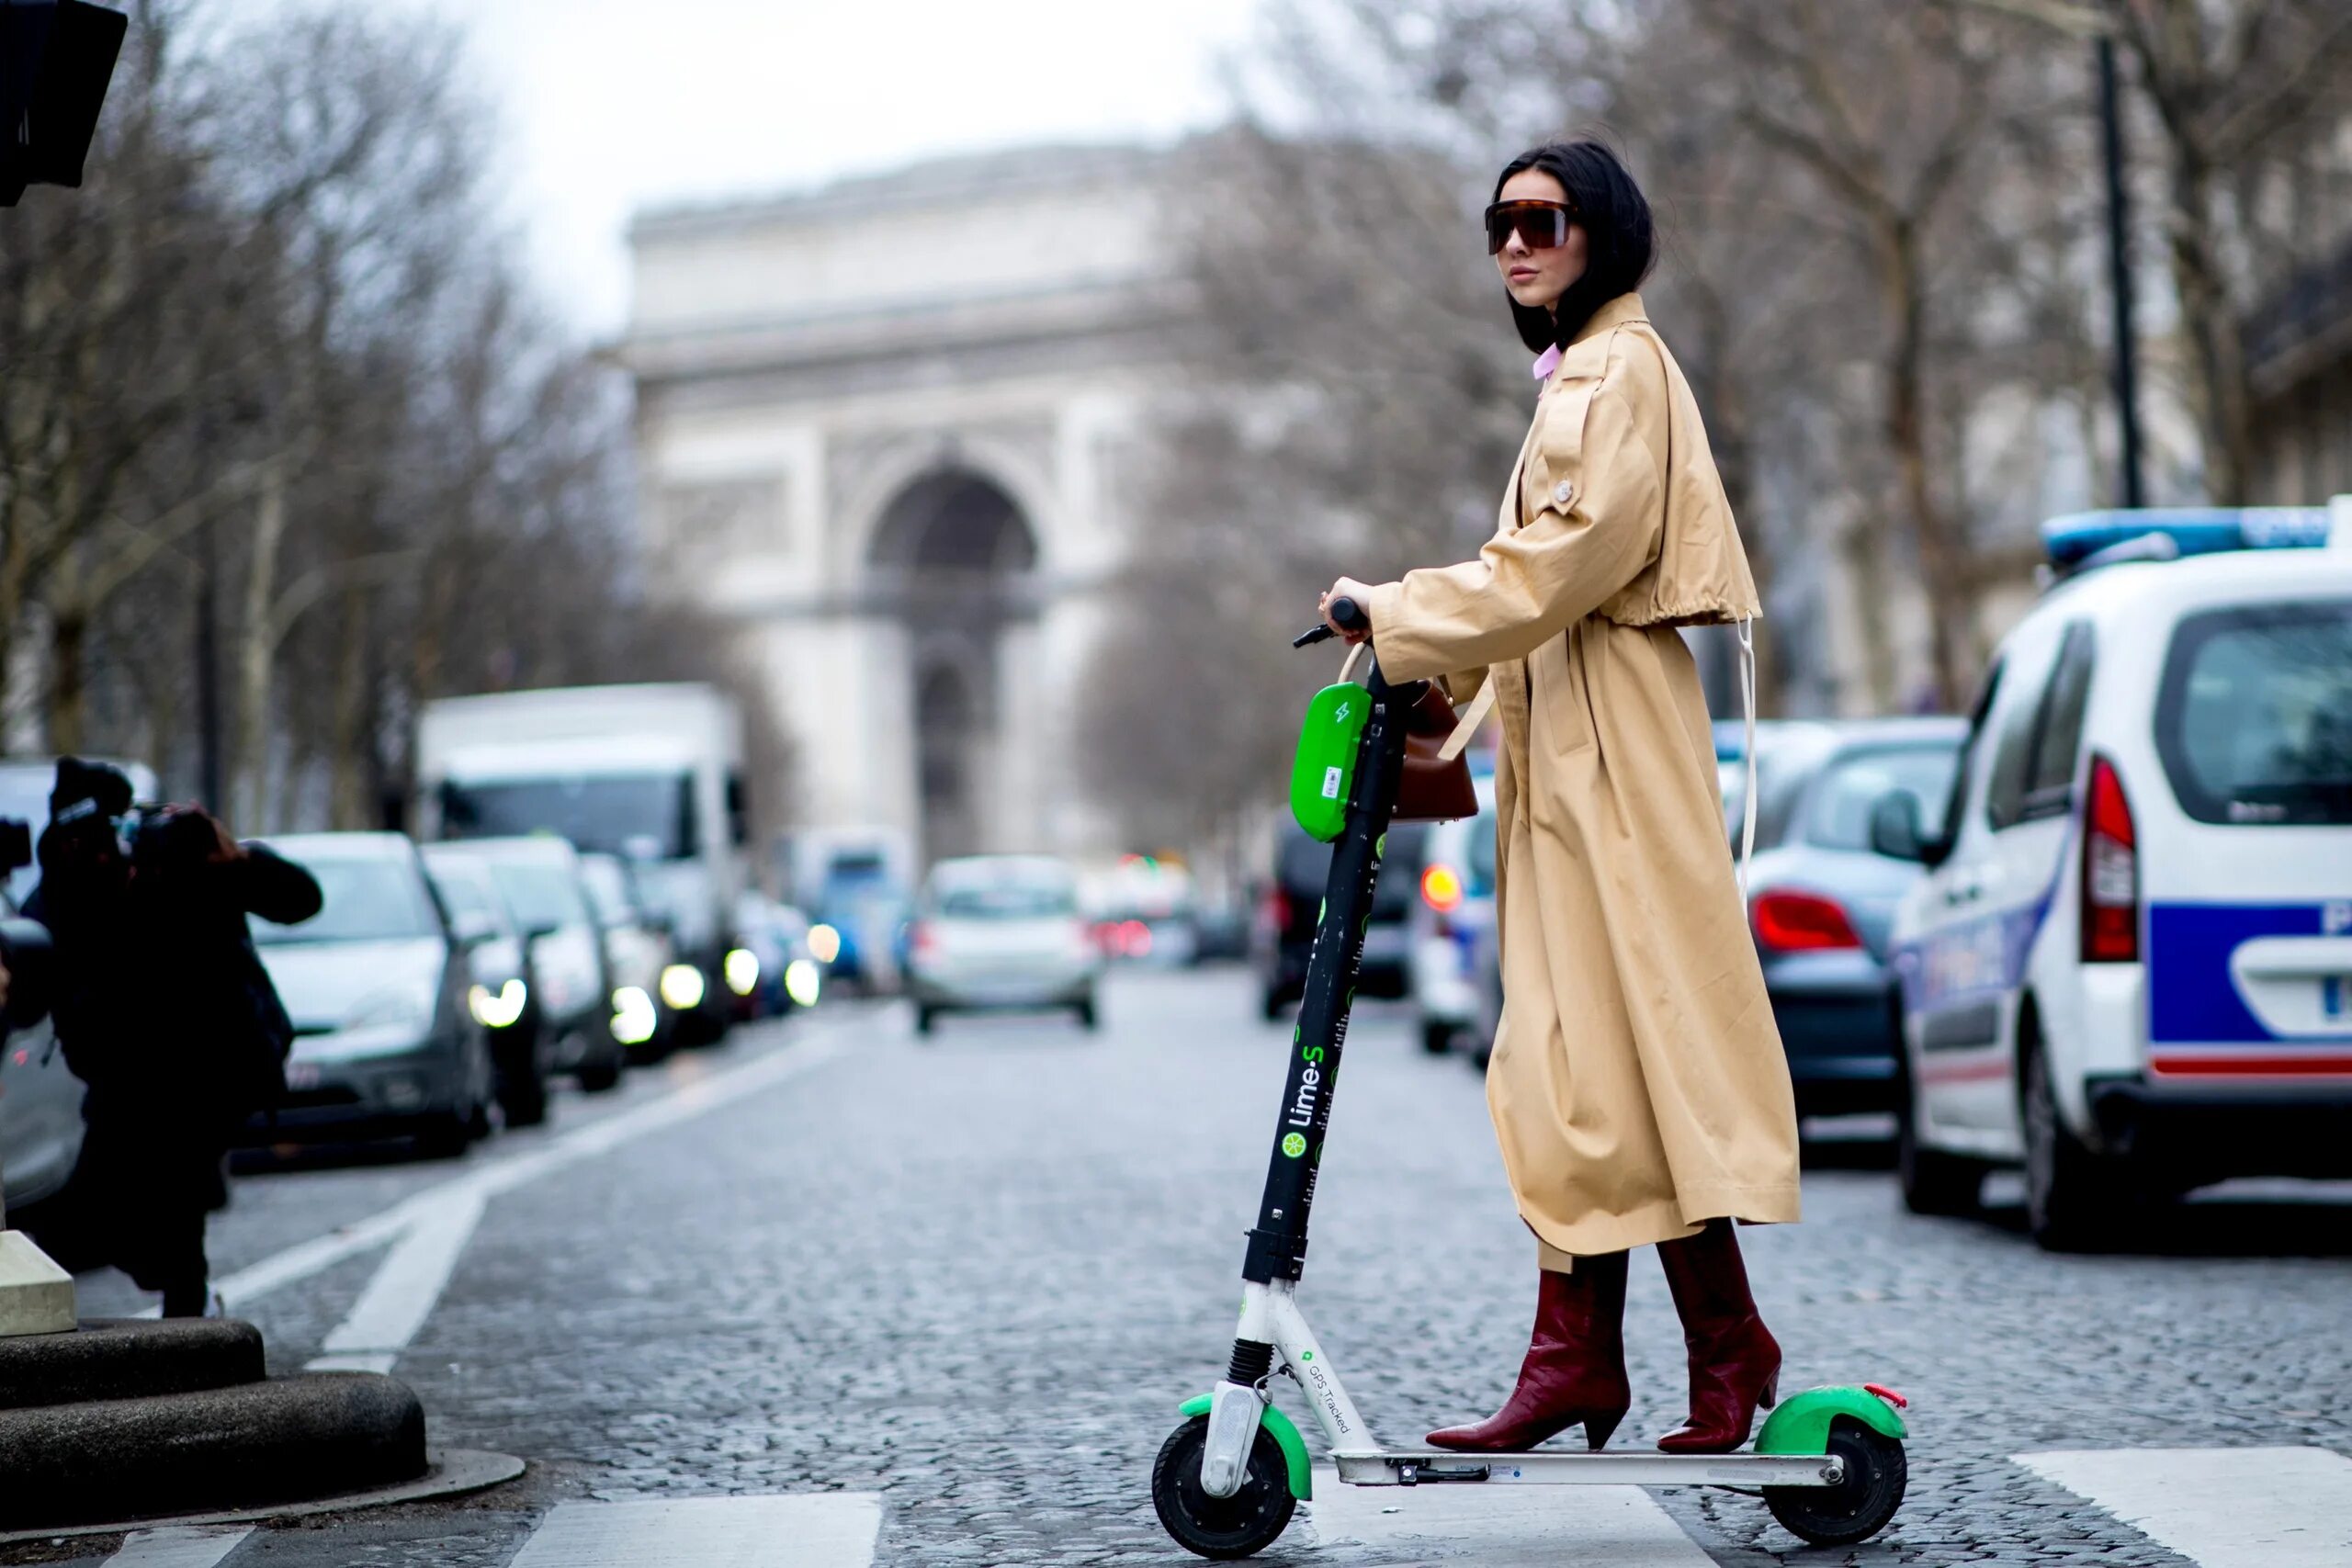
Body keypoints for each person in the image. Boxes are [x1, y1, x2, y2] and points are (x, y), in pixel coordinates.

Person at [1318, 141, 1800, 1456]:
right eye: (1499, 225)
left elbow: (1562, 563)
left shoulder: (1615, 370)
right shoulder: (1580, 374)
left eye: (1544, 220)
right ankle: (1664, 1348)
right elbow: (1536, 579)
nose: (1516, 245)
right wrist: (1427, 658)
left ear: (1606, 234)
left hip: (1613, 747)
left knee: (1599, 1048)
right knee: (1591, 1058)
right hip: (1571, 736)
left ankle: (1616, 1354)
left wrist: (1404, 608)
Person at [27, 759, 321, 1316]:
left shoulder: (182, 860)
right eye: (89, 840)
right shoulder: (65, 888)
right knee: (91, 1225)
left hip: (208, 1061)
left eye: (114, 834)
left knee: (177, 1194)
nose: (108, 852)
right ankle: (186, 1303)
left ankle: (192, 1323)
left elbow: (302, 900)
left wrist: (239, 862)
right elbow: (39, 967)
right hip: (123, 1075)